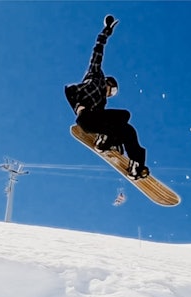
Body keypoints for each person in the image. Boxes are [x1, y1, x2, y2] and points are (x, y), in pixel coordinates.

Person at [64, 15, 149, 180]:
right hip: (86, 118)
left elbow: (111, 123)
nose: (111, 94)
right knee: (124, 115)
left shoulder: (102, 103)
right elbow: (97, 52)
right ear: (108, 83)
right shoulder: (96, 76)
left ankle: (135, 165)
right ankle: (106, 140)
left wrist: (118, 143)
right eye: (112, 90)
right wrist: (106, 31)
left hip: (96, 121)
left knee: (127, 129)